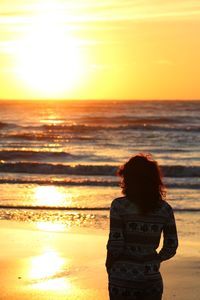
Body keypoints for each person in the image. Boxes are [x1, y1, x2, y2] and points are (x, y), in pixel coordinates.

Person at [106, 154, 178, 300]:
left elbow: (116, 244)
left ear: (127, 179)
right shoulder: (165, 209)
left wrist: (110, 264)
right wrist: (155, 259)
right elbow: (171, 245)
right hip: (151, 278)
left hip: (122, 277)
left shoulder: (119, 206)